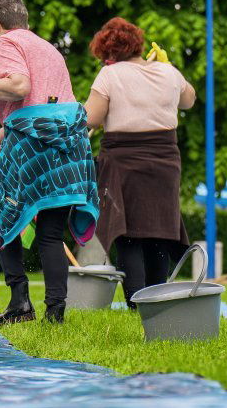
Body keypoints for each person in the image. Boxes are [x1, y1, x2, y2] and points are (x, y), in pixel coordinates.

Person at [0, 0, 98, 325]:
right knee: (50, 231)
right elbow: (34, 119)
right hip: (70, 145)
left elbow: (19, 87)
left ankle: (19, 302)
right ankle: (55, 315)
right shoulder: (48, 49)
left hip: (38, 148)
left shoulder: (5, 42)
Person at [84, 17, 196, 307]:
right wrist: (169, 67)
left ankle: (136, 303)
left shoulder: (110, 75)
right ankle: (156, 300)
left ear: (108, 53)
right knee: (159, 230)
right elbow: (189, 100)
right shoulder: (167, 72)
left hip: (123, 162)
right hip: (164, 162)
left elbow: (91, 119)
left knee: (127, 232)